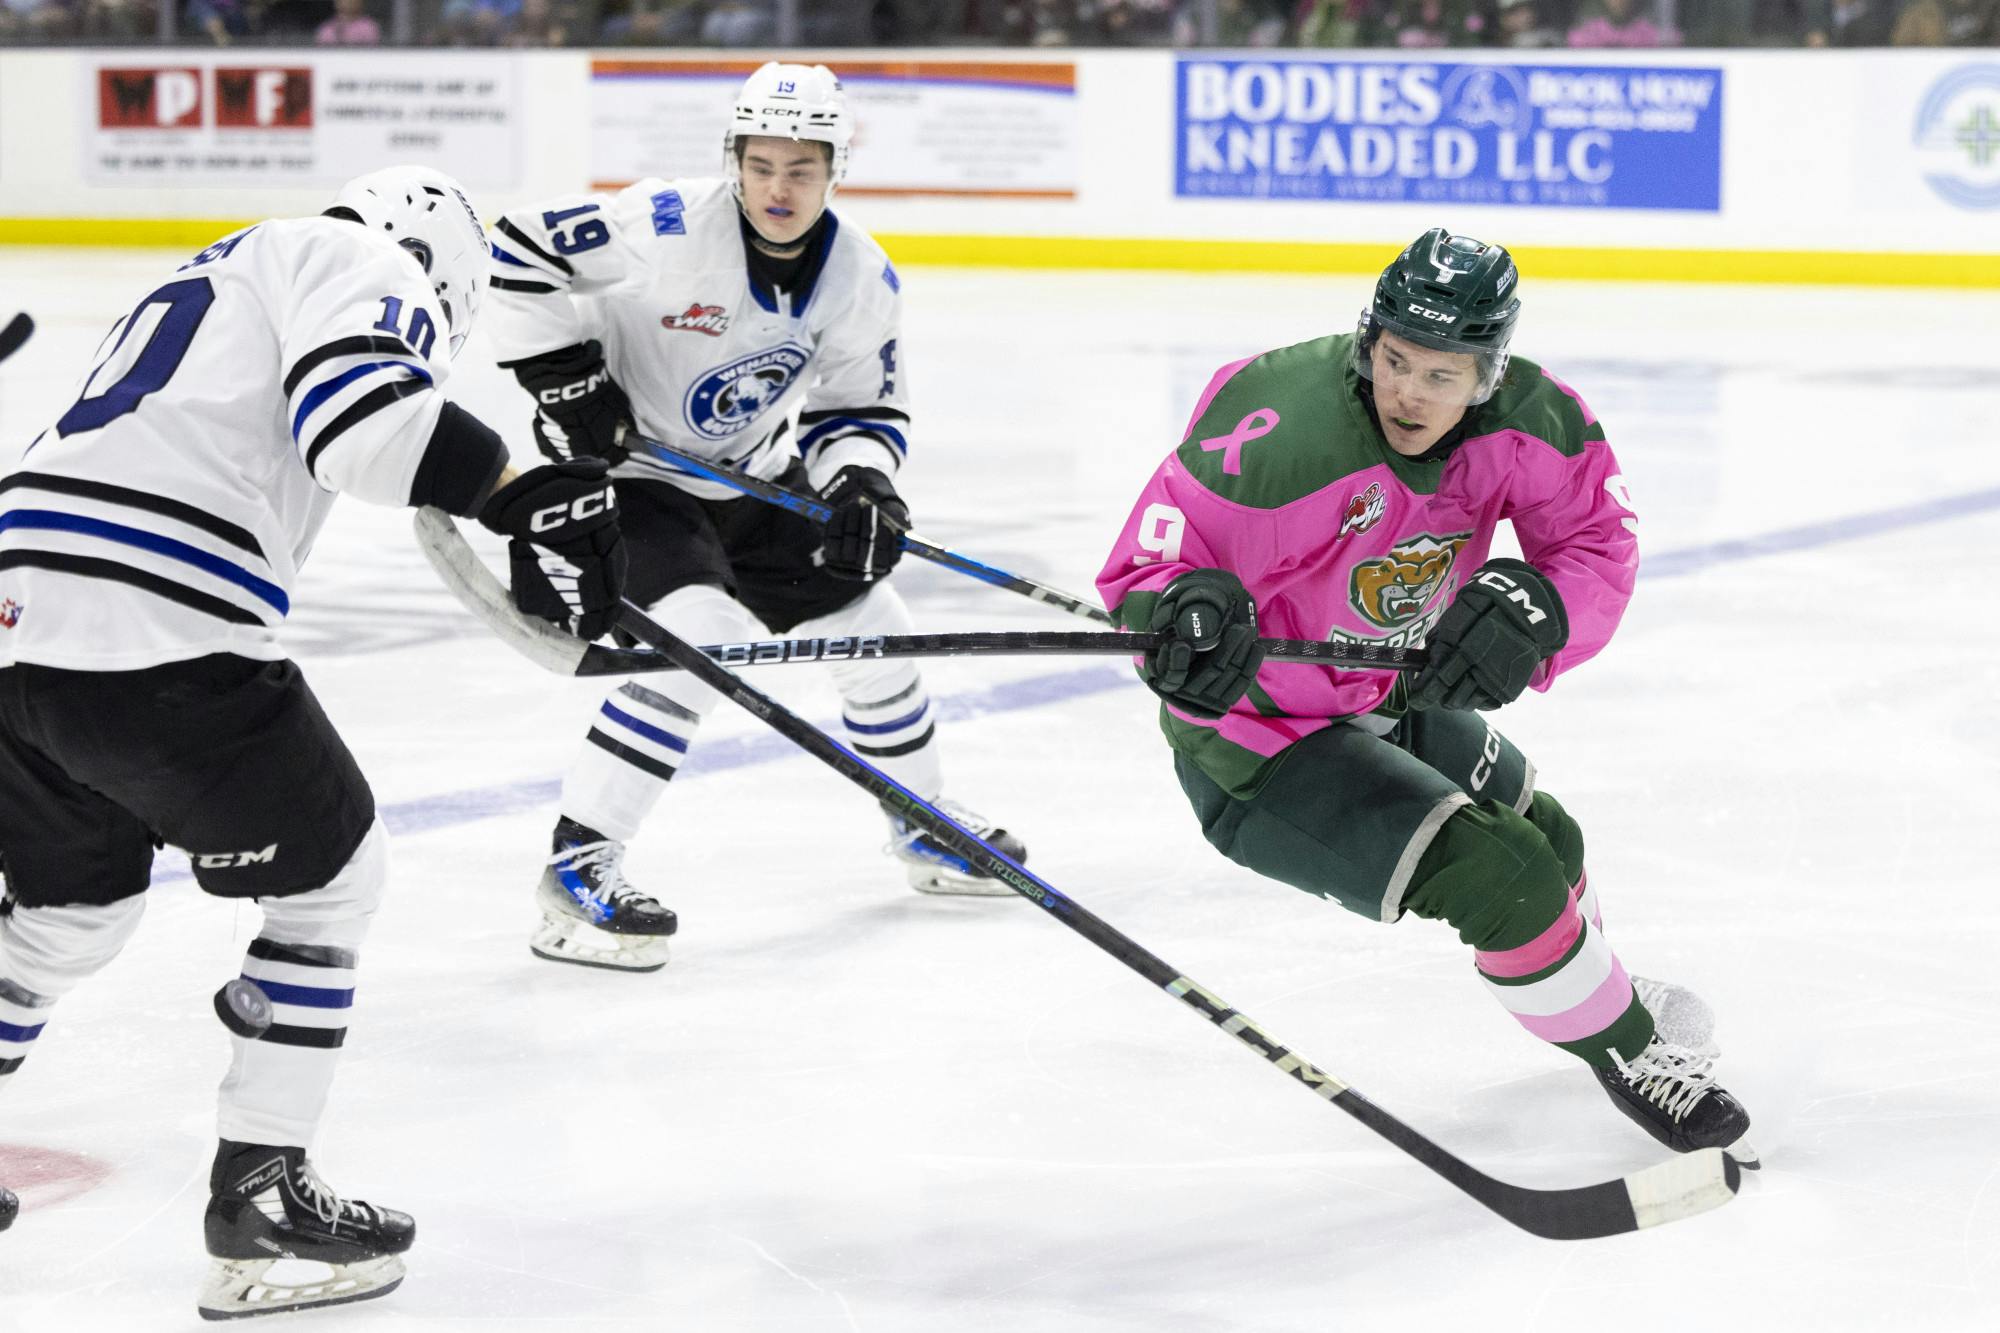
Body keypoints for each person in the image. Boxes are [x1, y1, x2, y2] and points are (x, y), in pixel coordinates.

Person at [0, 167, 625, 1316]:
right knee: (334, 881)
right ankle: (263, 1196)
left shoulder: (222, 272)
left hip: (16, 630)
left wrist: (513, 496)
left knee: (69, 911)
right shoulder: (360, 259)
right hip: (159, 624)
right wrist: (519, 484)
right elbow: (367, 428)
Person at [1094, 228, 1754, 1163]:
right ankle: (1634, 1050)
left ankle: (1596, 1004)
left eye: (1441, 375)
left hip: (1384, 687)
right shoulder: (1283, 424)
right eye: (1395, 360)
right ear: (1370, 339)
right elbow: (1156, 558)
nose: (1408, 390)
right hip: (1259, 738)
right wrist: (1179, 609)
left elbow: (1596, 545)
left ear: (1488, 373)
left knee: (1549, 836)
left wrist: (1542, 608)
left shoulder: (1533, 423)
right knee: (1505, 872)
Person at [483, 61, 1029, 974]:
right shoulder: (663, 225)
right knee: (698, 641)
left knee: (872, 624)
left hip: (755, 476)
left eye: (802, 170)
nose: (779, 189)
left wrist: (861, 484)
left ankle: (922, 824)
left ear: (835, 169)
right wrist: (567, 382)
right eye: (762, 164)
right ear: (734, 157)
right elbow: (520, 251)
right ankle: (578, 867)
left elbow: (861, 408)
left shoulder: (860, 273)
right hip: (633, 478)